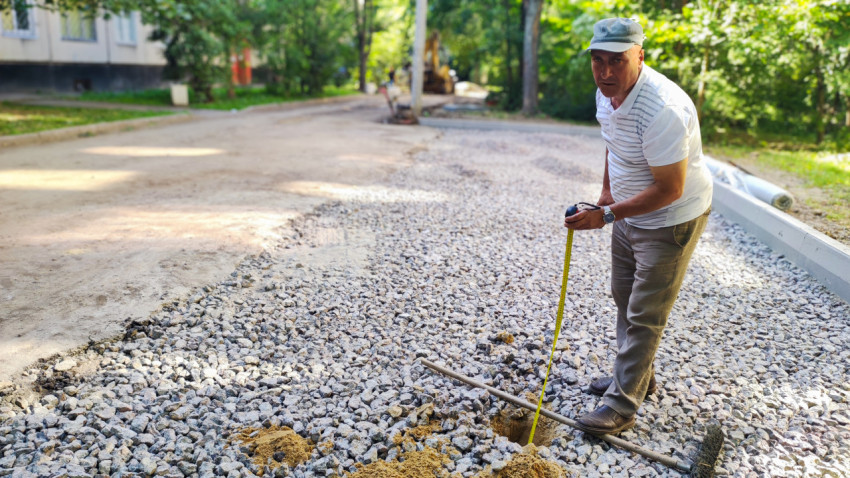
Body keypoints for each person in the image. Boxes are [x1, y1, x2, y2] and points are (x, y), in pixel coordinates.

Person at [564, 17, 713, 435]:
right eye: (598, 61)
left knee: (646, 312)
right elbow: (614, 145)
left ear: (639, 56)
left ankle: (622, 404)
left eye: (618, 61)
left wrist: (608, 215)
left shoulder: (662, 108)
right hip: (629, 210)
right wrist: (607, 194)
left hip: (670, 218)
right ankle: (636, 378)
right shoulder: (606, 93)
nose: (607, 72)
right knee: (623, 294)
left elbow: (670, 188)